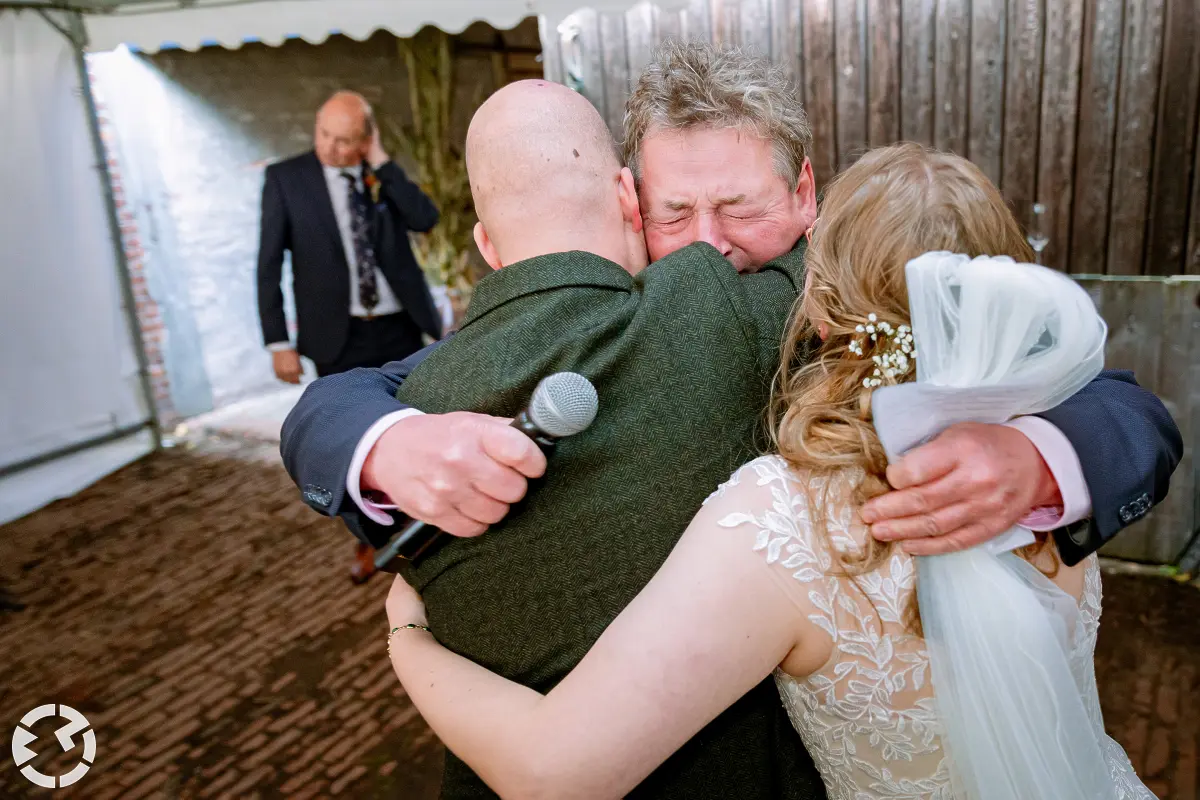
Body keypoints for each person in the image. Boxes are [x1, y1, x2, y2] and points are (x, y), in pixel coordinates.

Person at [382, 143, 1156, 800]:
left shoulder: (786, 522)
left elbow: (555, 774)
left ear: (818, 311)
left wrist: (408, 634)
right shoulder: (1053, 465)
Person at [281, 42, 1179, 581]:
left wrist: (1037, 458)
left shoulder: (877, 285)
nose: (709, 243)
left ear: (803, 191)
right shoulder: (598, 309)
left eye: (740, 208)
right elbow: (350, 400)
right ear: (631, 206)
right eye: (676, 215)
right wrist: (388, 448)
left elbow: (1127, 412)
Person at [256, 90, 444, 582]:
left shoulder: (379, 175)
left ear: (365, 140)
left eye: (345, 141)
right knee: (351, 442)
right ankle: (371, 539)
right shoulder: (286, 179)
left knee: (414, 424)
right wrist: (279, 342)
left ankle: (430, 526)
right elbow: (268, 264)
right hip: (335, 334)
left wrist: (380, 163)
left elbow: (425, 219)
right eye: (325, 135)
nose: (331, 148)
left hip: (400, 326)